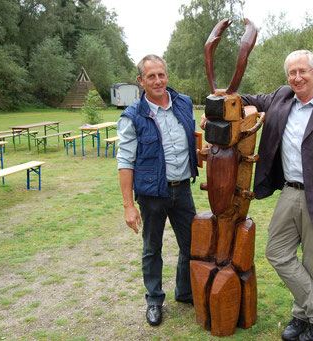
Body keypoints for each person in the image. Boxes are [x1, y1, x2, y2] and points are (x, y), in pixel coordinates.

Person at [201, 50, 313, 340]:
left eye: (303, 71)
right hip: (290, 191)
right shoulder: (281, 98)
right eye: (292, 73)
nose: (297, 78)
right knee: (276, 252)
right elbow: (244, 99)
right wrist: (214, 111)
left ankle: (304, 319)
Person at [117, 54, 199, 327]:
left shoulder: (184, 103)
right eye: (150, 76)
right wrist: (129, 206)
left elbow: (191, 139)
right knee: (152, 248)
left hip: (183, 189)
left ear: (167, 76)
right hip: (152, 194)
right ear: (140, 81)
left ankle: (184, 292)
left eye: (161, 74)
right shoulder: (133, 116)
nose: (157, 81)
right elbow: (126, 162)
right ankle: (154, 299)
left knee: (191, 245)